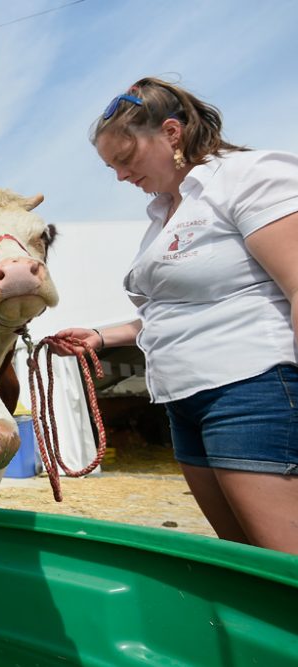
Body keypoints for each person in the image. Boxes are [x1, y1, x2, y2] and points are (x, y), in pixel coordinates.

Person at [51, 77, 298, 554]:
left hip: (250, 390)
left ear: (171, 133)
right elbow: (175, 313)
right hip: (185, 399)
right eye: (112, 167)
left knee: (282, 561)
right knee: (243, 556)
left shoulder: (249, 177)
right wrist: (102, 337)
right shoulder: (166, 212)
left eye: (126, 159)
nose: (121, 176)